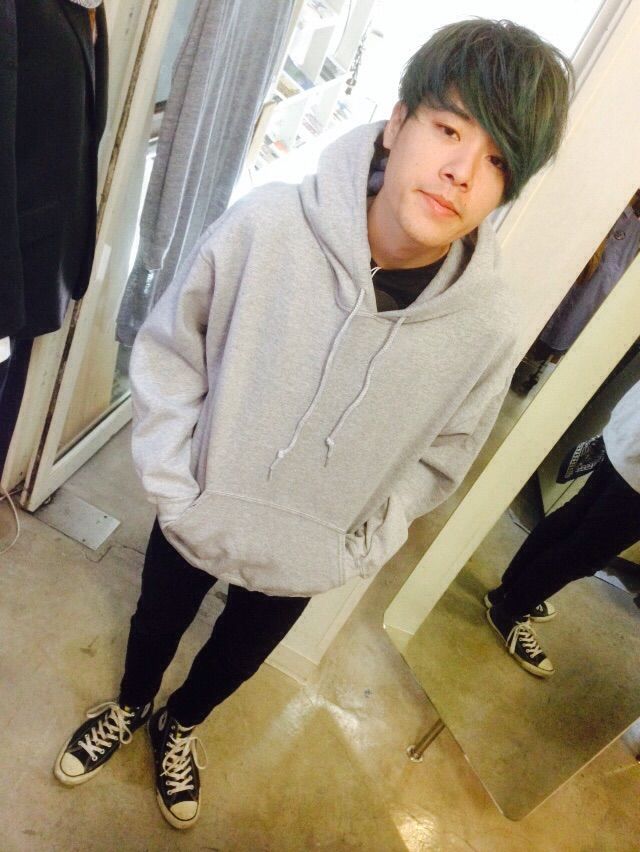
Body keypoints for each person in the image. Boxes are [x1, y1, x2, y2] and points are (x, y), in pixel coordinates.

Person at [54, 19, 573, 829]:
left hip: (310, 553)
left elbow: (446, 454)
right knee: (154, 621)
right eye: (449, 129)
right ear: (398, 123)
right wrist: (176, 486)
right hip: (199, 506)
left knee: (236, 659)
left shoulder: (489, 327)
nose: (464, 172)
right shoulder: (265, 227)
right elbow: (171, 351)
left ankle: (180, 725)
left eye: (500, 160)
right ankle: (130, 704)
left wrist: (356, 545)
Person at [485, 378, 640, 678]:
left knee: (575, 517)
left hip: (630, 435)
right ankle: (510, 611)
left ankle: (507, 593)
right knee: (586, 552)